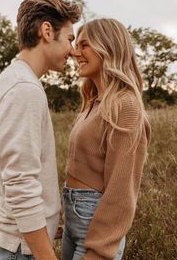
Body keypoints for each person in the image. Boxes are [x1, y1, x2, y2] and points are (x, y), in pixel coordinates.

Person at [0, 0, 81, 260]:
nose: (73, 50)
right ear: (47, 31)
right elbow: (20, 183)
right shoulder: (24, 89)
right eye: (70, 39)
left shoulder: (16, 79)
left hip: (16, 241)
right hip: (16, 248)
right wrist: (46, 254)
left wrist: (47, 223)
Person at [62, 18, 151, 260]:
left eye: (84, 45)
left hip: (96, 225)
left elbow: (121, 190)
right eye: (76, 45)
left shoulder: (125, 105)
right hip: (74, 220)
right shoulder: (93, 101)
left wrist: (100, 250)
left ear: (108, 47)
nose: (75, 53)